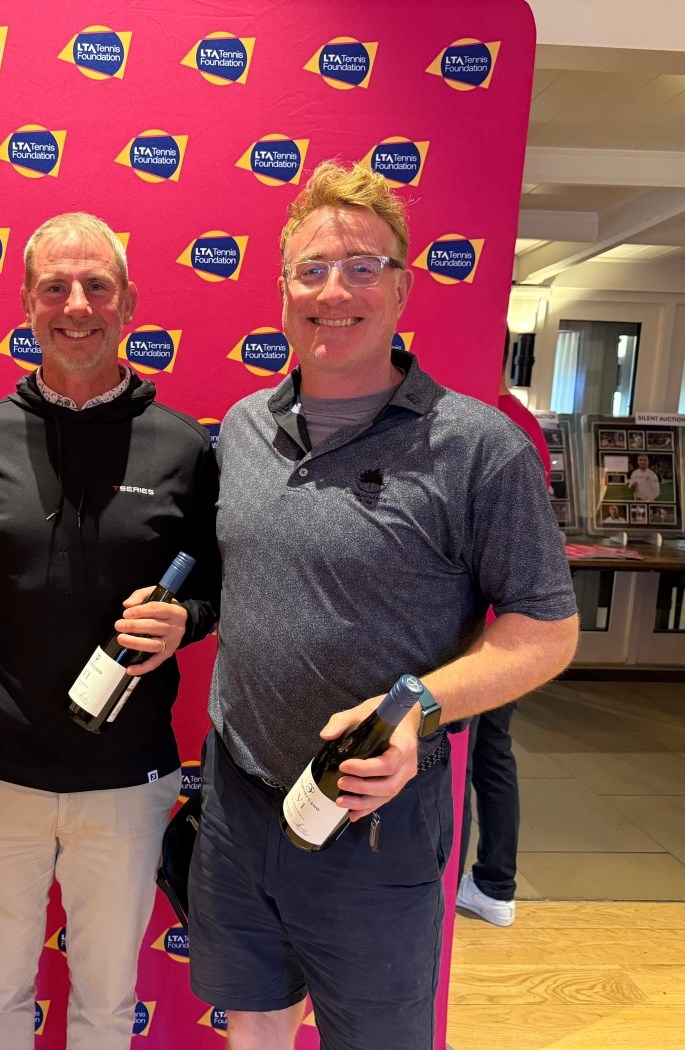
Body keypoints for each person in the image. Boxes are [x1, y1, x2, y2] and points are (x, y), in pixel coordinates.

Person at [187, 160, 580, 1050]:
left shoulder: (479, 449)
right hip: (241, 805)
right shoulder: (243, 429)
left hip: (377, 820)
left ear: (403, 288)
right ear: (282, 290)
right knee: (251, 1023)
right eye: (313, 269)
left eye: (364, 266)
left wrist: (421, 709)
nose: (336, 290)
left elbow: (546, 632)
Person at [0, 212, 220, 1050]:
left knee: (106, 1000)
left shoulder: (183, 447)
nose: (77, 304)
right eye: (55, 286)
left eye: (97, 285)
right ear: (27, 304)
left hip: (126, 782)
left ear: (128, 304)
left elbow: (216, 585)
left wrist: (187, 620)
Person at [453, 378, 554, 929]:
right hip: (509, 630)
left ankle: (463, 888)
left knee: (461, 759)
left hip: (479, 629)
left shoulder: (478, 421)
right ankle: (496, 883)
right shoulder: (526, 424)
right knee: (490, 755)